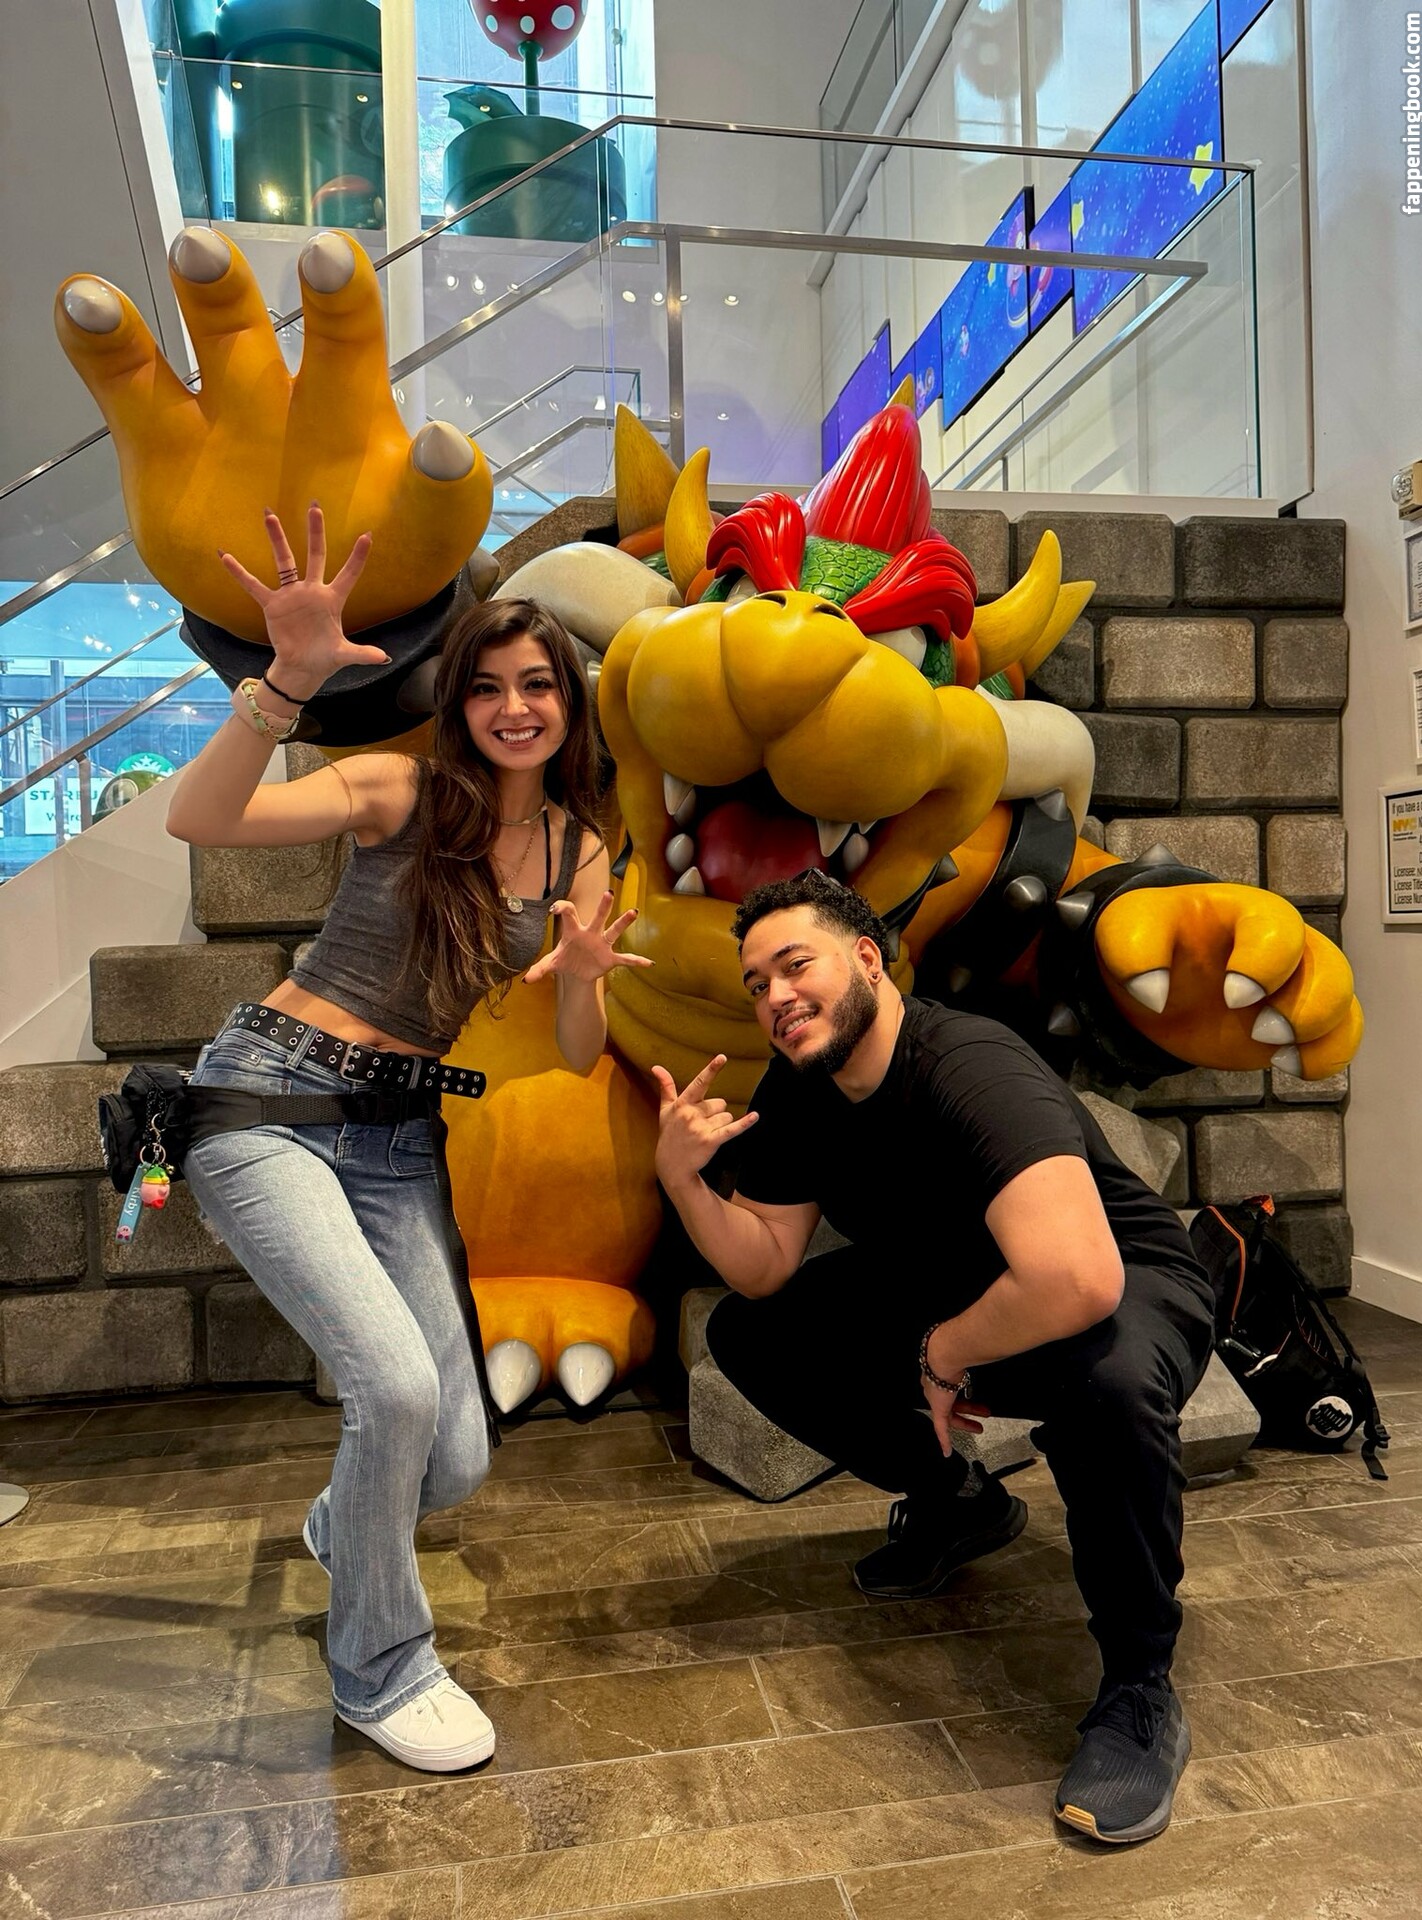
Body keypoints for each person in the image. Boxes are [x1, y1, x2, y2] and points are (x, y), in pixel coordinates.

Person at [167, 505, 648, 1772]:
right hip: (268, 1098)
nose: (512, 707)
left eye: (536, 684)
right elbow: (202, 821)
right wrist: (285, 682)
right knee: (391, 1389)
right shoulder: (399, 790)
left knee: (453, 1458)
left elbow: (581, 1049)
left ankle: (350, 1527)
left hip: (393, 1138)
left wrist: (581, 978)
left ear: (569, 704)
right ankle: (379, 1670)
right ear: (456, 702)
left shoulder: (582, 851)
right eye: (486, 685)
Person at [652, 870, 1215, 1846]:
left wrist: (942, 1354)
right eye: (757, 983)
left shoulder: (969, 1064)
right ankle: (959, 1504)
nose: (776, 996)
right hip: (964, 1283)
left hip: (1123, 1281)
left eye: (795, 965)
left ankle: (1138, 1690)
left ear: (867, 959)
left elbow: (1077, 1277)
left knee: (1109, 1388)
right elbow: (764, 1264)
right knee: (751, 1333)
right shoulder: (801, 1087)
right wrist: (682, 1181)